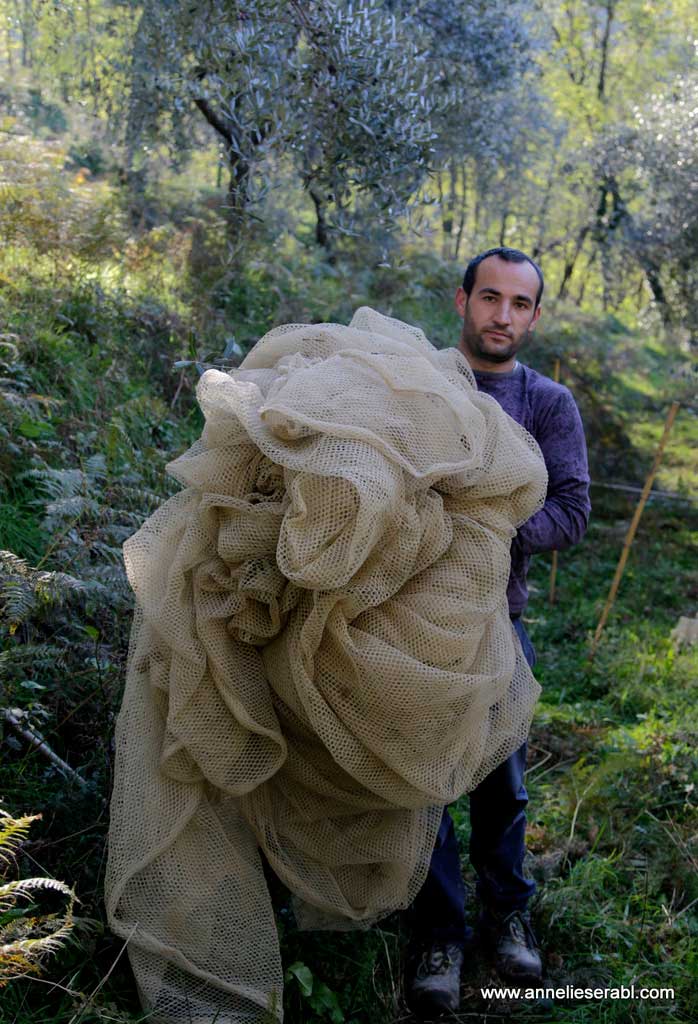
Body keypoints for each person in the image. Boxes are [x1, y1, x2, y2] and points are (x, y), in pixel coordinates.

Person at [406, 247, 591, 1018]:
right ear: (463, 301)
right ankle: (437, 936)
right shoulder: (420, 384)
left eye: (519, 303)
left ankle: (506, 916)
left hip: (499, 623)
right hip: (409, 619)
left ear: (535, 315)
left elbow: (572, 510)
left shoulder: (549, 403)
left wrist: (497, 531)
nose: (502, 316)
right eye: (490, 298)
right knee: (421, 786)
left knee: (500, 784)